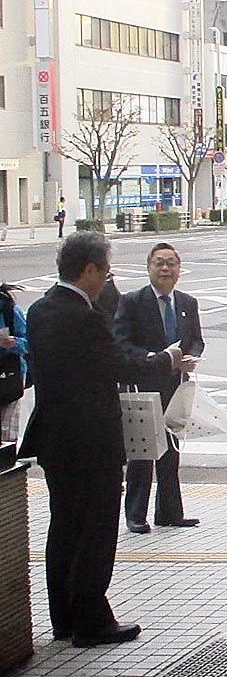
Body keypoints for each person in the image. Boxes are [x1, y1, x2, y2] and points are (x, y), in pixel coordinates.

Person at [19, 231, 182, 648]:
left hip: (54, 439)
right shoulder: (85, 318)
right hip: (92, 442)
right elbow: (119, 365)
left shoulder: (40, 310)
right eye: (106, 272)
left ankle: (64, 618)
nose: (108, 280)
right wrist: (166, 359)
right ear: (89, 270)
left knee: (64, 527)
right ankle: (91, 619)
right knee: (95, 530)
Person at [115, 243, 204, 534]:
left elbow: (196, 340)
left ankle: (169, 512)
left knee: (171, 451)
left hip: (175, 387)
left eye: (171, 263)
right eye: (159, 263)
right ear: (148, 268)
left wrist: (190, 357)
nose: (165, 269)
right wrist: (156, 358)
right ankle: (135, 514)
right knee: (142, 454)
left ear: (179, 269)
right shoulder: (132, 302)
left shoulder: (187, 303)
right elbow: (122, 344)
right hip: (142, 386)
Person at [0, 283, 29, 443]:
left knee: (7, 430)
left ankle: (8, 456)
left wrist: (13, 343)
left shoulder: (9, 311)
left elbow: (28, 343)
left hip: (9, 375)